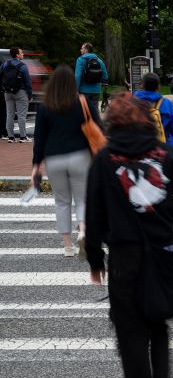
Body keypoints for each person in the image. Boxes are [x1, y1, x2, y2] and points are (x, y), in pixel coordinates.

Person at [84, 92, 173, 378]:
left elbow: (94, 213)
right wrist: (163, 217)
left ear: (113, 122)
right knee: (158, 322)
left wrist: (94, 259)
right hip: (163, 250)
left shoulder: (104, 159)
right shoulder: (164, 154)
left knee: (131, 335)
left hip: (125, 256)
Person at [31, 65, 99, 257]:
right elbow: (98, 127)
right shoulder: (82, 102)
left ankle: (67, 245)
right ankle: (84, 231)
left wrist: (36, 165)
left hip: (54, 158)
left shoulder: (45, 106)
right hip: (80, 156)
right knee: (82, 199)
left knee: (61, 202)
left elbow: (39, 138)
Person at [133, 72, 173, 152]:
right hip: (163, 148)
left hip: (137, 148)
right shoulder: (167, 104)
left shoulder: (131, 103)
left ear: (141, 86)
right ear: (158, 87)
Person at [2, 47, 33, 142]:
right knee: (21, 115)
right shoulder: (23, 66)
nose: (23, 54)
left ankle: (10, 137)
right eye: (21, 52)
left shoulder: (5, 64)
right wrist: (30, 95)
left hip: (7, 92)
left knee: (9, 114)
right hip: (21, 92)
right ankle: (23, 137)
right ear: (17, 55)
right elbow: (28, 82)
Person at [74, 42, 108, 116]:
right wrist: (104, 82)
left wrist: (76, 89)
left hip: (83, 90)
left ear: (86, 50)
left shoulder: (80, 60)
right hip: (96, 90)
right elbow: (105, 74)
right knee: (95, 111)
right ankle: (96, 125)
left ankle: (85, 126)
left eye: (82, 48)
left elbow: (78, 76)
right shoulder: (99, 60)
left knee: (83, 111)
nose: (80, 50)